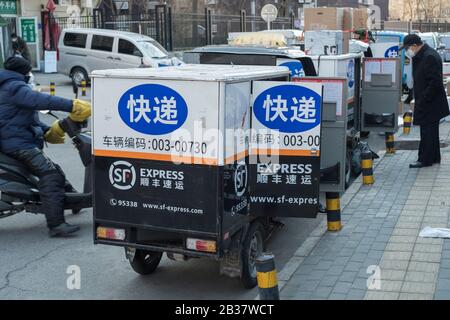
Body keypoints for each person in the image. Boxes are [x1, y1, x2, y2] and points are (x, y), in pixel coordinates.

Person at [0, 56, 91, 237]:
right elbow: (41, 100)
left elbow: (25, 121)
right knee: (51, 175)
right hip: (19, 145)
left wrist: (49, 129)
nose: (30, 77)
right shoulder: (15, 87)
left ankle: (73, 200)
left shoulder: (8, 87)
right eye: (28, 73)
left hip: (17, 141)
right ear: (23, 73)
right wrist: (72, 105)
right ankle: (56, 224)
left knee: (53, 169)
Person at [399, 34, 449, 168]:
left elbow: (435, 83)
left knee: (427, 132)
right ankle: (433, 158)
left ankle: (425, 160)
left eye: (408, 48)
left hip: (430, 103)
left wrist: (422, 99)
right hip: (429, 102)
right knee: (430, 132)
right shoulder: (423, 55)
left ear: (415, 46)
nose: (407, 52)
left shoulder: (429, 57)